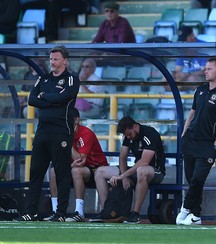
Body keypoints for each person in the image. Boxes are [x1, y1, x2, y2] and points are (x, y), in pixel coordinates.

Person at [13, 46, 80, 222]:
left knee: (61, 173)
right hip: (42, 131)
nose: (52, 62)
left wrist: (45, 97)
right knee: (35, 171)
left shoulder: (71, 79)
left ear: (65, 60)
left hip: (60, 131)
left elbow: (64, 98)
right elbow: (32, 99)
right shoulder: (43, 78)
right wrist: (50, 98)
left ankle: (61, 213)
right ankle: (31, 211)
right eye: (51, 59)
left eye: (56, 59)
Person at [175, 58, 216, 225]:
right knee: (192, 179)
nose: (205, 71)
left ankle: (185, 208)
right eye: (205, 69)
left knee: (197, 180)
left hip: (207, 144)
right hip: (190, 141)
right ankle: (196, 216)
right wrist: (184, 134)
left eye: (209, 69)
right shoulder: (200, 90)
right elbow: (192, 113)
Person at [90, 116, 165, 224]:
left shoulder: (150, 134)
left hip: (155, 171)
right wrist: (124, 177)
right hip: (137, 169)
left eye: (129, 134)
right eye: (126, 136)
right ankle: (106, 211)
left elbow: (144, 162)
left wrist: (122, 176)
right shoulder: (128, 137)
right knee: (100, 172)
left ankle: (135, 214)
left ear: (134, 126)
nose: (128, 137)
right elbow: (122, 156)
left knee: (141, 171)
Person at [42, 108, 108, 222]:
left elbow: (79, 159)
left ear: (76, 120)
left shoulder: (86, 133)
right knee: (53, 171)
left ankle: (79, 212)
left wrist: (67, 141)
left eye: (67, 120)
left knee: (77, 170)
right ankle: (56, 211)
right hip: (75, 167)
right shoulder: (61, 134)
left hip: (95, 169)